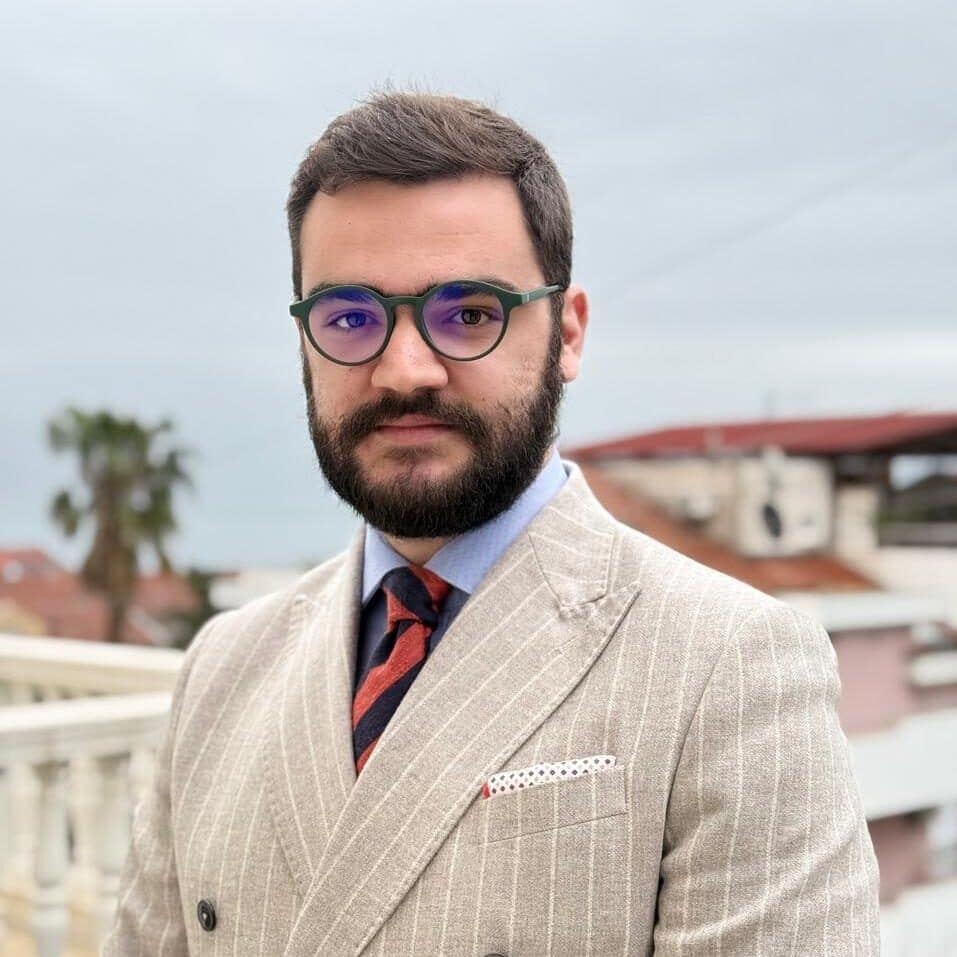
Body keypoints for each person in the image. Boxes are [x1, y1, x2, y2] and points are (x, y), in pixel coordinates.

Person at [104, 90, 880, 956]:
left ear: (568, 332)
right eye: (349, 318)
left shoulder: (728, 663)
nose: (404, 370)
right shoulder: (222, 667)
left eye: (467, 312)